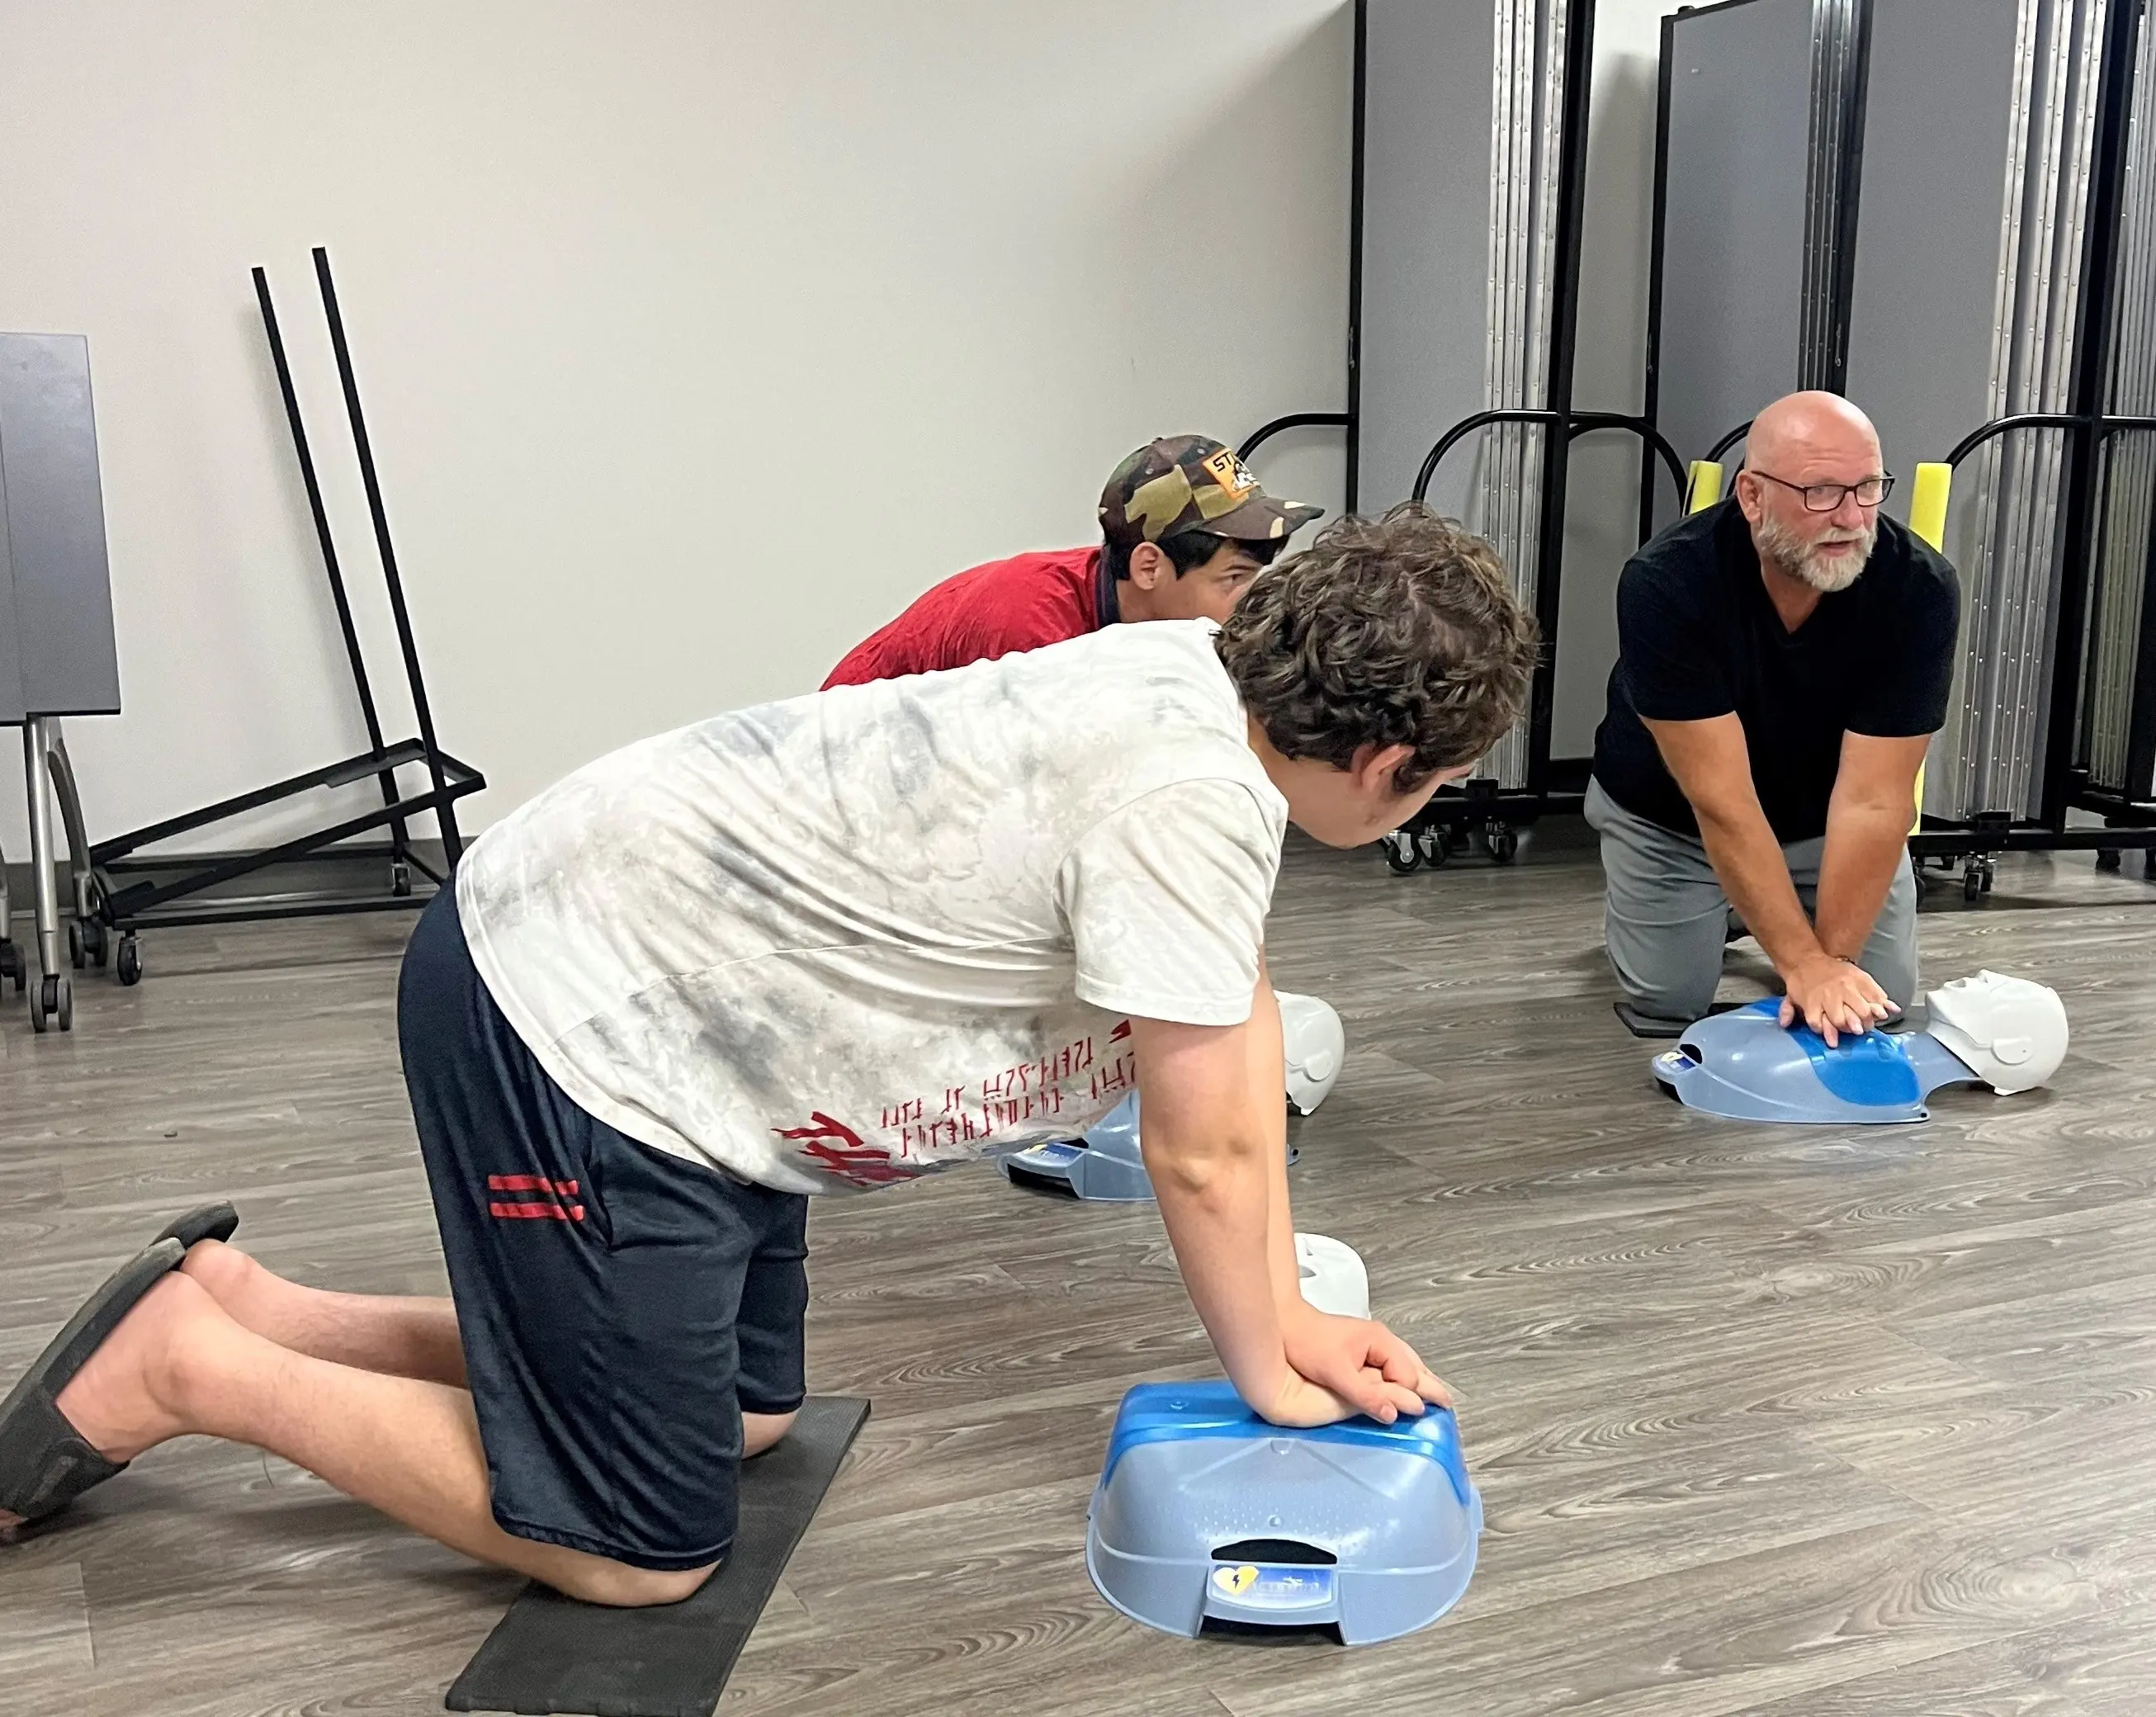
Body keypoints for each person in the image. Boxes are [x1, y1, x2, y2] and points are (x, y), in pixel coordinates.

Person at [0, 503, 1539, 1613]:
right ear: (1392, 764)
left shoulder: (1190, 675)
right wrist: (1265, 1364)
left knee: (742, 1418)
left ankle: (259, 1309)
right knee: (640, 1550)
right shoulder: (1188, 800)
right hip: (585, 1019)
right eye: (1440, 787)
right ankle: (189, 1371)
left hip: (702, 1022)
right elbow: (1198, 1148)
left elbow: (1234, 1027)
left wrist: (1284, 1317)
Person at [1586, 390, 1960, 1043]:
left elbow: (1876, 802)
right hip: (1675, 820)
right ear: (1752, 497)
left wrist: (1829, 967)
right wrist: (1799, 963)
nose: (1851, 517)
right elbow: (1721, 800)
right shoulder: (1666, 583)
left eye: (1868, 488)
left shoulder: (1919, 588)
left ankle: (1753, 907)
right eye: (1821, 492)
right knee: (1670, 999)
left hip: (1825, 820)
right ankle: (1716, 905)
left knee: (1879, 1000)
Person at [822, 434, 1321, 687]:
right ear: (1149, 567)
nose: (1252, 602)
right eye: (1233, 578)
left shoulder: (1132, 615)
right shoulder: (1033, 636)